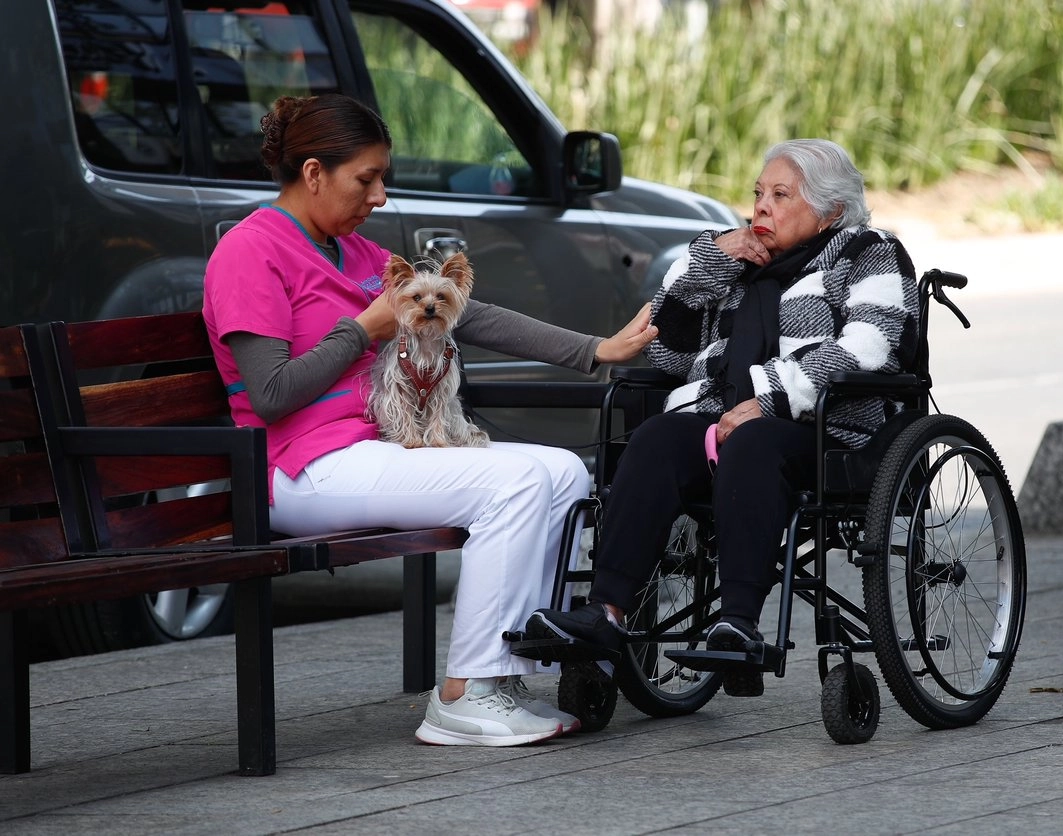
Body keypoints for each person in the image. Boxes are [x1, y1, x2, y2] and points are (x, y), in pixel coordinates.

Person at [202, 93, 657, 746]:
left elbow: (472, 314)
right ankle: (463, 693)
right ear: (312, 174)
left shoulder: (351, 252)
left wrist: (595, 351)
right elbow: (271, 395)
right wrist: (362, 330)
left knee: (560, 471)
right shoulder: (250, 253)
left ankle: (501, 678)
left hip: (371, 451)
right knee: (515, 483)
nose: (381, 196)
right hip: (299, 467)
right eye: (367, 179)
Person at [525, 139, 919, 697]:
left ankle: (737, 622)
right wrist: (711, 261)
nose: (760, 207)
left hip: (832, 433)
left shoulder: (867, 252)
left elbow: (871, 345)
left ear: (831, 210)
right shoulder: (741, 263)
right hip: (723, 421)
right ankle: (606, 613)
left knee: (755, 444)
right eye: (759, 193)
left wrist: (771, 396)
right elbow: (669, 351)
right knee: (658, 437)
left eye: (781, 195)